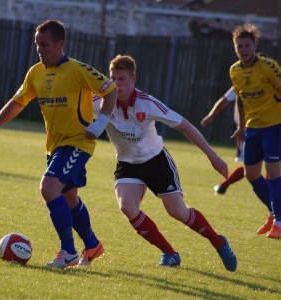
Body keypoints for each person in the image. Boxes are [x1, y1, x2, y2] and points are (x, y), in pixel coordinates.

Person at [0, 19, 118, 268]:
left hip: (78, 143)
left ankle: (68, 251)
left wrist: (100, 124)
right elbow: (19, 101)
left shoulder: (78, 70)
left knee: (48, 188)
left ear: (60, 44)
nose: (39, 49)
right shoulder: (36, 72)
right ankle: (92, 244)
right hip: (55, 146)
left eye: (44, 44)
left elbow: (111, 90)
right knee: (69, 198)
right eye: (37, 45)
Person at [93, 55, 237, 271]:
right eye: (113, 78)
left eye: (122, 79)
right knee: (127, 206)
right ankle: (169, 253)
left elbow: (185, 126)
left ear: (133, 79)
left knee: (178, 212)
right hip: (127, 164)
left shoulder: (147, 103)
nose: (117, 84)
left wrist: (212, 156)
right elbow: (74, 103)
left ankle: (219, 242)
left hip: (157, 161)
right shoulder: (101, 102)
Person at [230, 23, 281, 238]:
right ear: (235, 48)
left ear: (254, 45)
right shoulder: (234, 71)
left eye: (247, 45)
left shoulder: (269, 66)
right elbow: (241, 101)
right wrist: (241, 128)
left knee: (274, 170)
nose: (243, 49)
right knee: (251, 174)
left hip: (274, 126)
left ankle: (279, 222)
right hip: (252, 128)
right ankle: (273, 211)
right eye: (239, 46)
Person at [200, 86, 245, 195]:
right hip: (266, 127)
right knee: (271, 164)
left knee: (253, 166)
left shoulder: (242, 76)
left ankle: (223, 185)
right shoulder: (272, 76)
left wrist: (211, 115)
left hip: (248, 128)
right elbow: (226, 99)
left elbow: (225, 99)